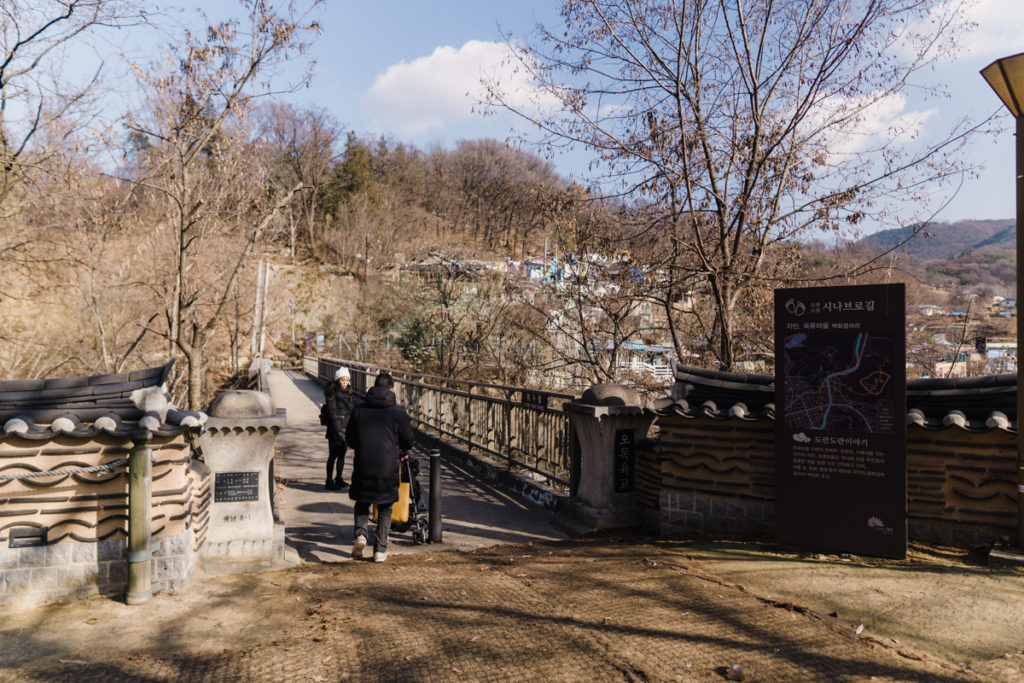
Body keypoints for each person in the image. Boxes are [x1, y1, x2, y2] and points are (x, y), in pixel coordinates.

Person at [344, 372, 413, 562]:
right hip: (387, 466)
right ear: (392, 389)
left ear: (373, 388)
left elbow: (349, 439)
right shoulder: (398, 412)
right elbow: (408, 441)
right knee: (385, 506)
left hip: (364, 463)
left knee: (362, 501)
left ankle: (361, 534)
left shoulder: (359, 410)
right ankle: (380, 551)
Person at [323, 367, 355, 490]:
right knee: (333, 456)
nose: (345, 382)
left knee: (342, 455)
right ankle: (329, 480)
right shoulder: (332, 392)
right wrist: (338, 430)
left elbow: (353, 410)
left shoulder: (349, 392)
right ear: (338, 380)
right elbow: (331, 413)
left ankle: (339, 478)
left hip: (346, 429)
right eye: (342, 380)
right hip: (334, 430)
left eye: (347, 380)